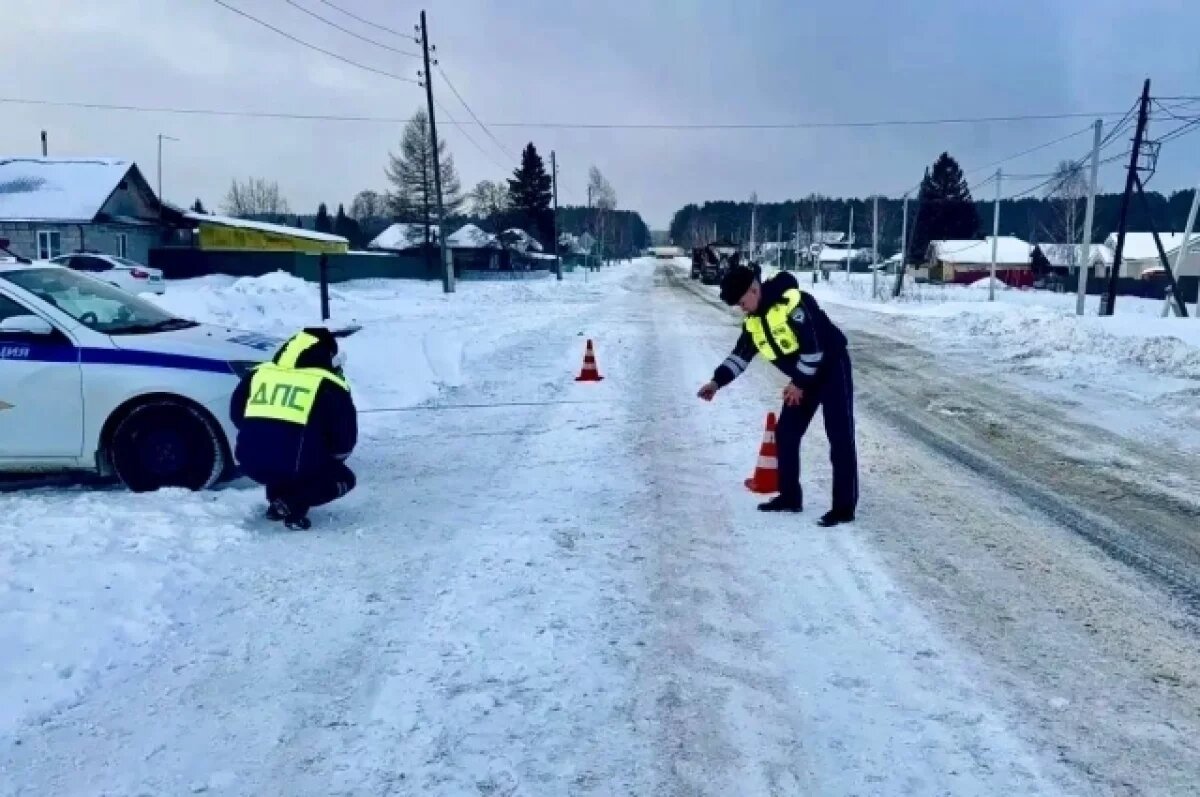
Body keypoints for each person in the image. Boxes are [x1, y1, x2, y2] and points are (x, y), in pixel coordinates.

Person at [697, 263, 858, 526]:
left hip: (831, 368)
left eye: (741, 302)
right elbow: (740, 357)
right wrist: (716, 382)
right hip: (802, 378)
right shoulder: (754, 322)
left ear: (753, 289)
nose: (741, 308)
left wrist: (799, 383)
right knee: (785, 433)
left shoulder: (793, 303)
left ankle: (843, 508)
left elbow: (815, 348)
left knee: (839, 435)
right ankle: (790, 497)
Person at [230, 327, 357, 530]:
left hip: (250, 461)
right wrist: (332, 459)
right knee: (343, 478)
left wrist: (261, 433)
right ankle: (291, 503)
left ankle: (284, 507)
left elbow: (236, 414)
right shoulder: (327, 384)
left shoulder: (259, 373)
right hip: (296, 465)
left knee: (282, 461)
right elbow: (344, 439)